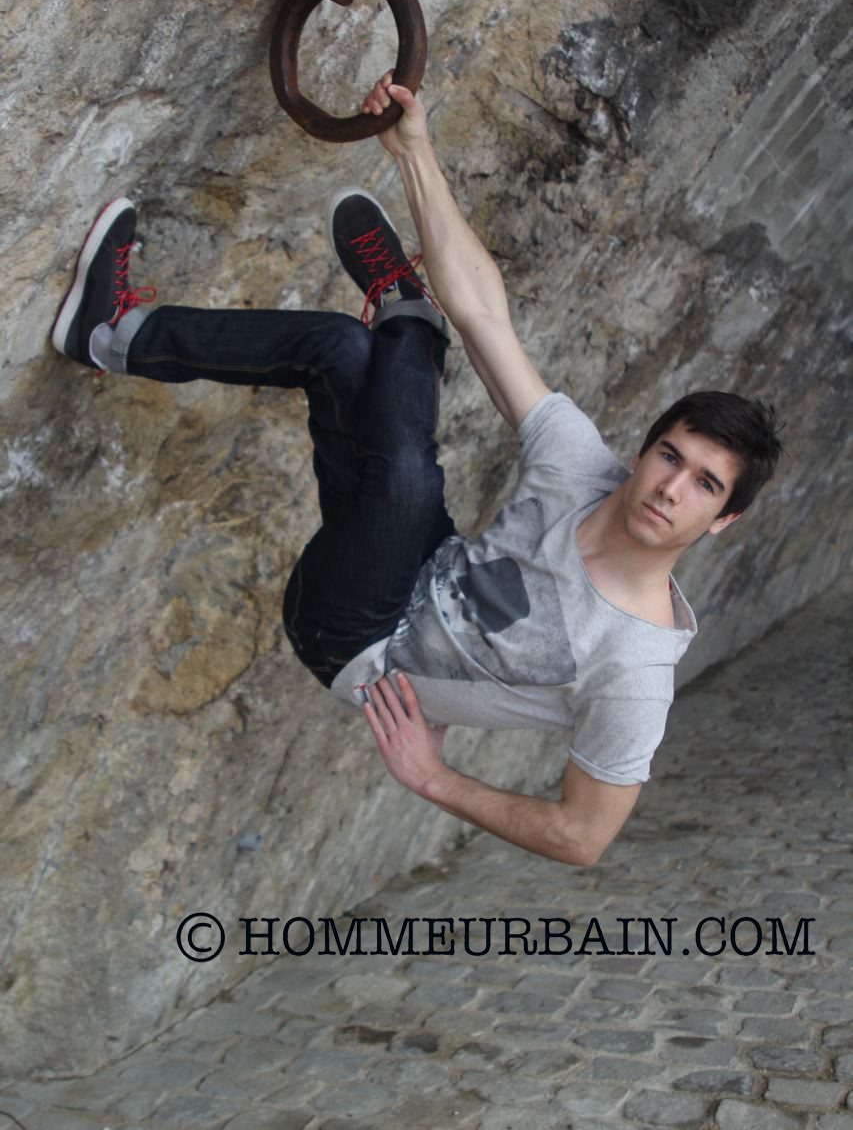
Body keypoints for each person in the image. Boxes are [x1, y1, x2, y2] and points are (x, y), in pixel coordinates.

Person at [52, 71, 783, 867]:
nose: (670, 486)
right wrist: (414, 150)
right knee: (338, 349)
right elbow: (488, 315)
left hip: (359, 641)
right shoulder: (581, 467)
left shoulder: (634, 670)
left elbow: (583, 834)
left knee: (406, 472)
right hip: (404, 553)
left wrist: (435, 779)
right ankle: (112, 335)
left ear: (722, 519)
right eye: (670, 456)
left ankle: (410, 323)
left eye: (703, 484)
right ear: (643, 451)